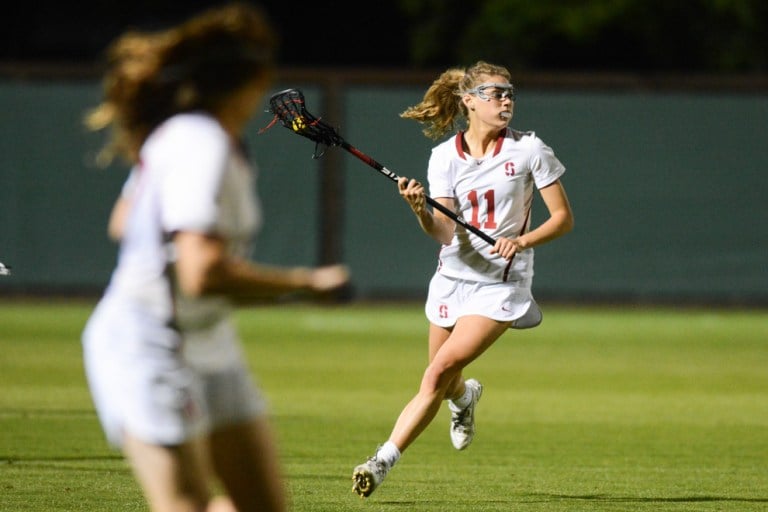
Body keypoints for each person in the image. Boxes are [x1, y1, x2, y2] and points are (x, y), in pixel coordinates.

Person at [81, 3, 350, 512]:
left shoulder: (194, 138)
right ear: (253, 81)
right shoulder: (199, 143)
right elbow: (201, 273)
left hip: (209, 340)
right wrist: (307, 283)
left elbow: (123, 221)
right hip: (149, 347)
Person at [351, 61, 574, 498]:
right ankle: (465, 399)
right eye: (495, 93)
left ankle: (380, 462)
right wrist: (419, 209)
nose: (506, 100)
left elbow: (563, 219)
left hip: (501, 286)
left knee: (435, 374)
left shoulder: (529, 150)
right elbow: (445, 231)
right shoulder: (444, 157)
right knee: (445, 379)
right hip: (452, 278)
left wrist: (522, 241)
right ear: (469, 101)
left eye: (510, 93)